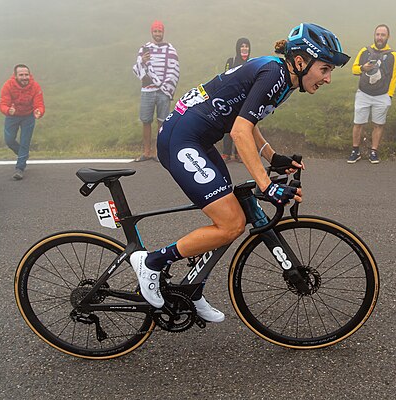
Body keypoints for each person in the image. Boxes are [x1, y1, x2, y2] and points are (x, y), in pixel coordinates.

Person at [130, 23, 350, 322]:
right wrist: (267, 185)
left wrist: (273, 157)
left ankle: (192, 290)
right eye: (325, 69)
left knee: (233, 219)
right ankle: (152, 262)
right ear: (301, 61)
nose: (327, 78)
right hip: (181, 139)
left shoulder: (283, 77)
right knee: (231, 222)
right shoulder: (275, 74)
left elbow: (248, 120)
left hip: (198, 138)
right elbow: (240, 131)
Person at [347, 24, 396, 164]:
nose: (379, 37)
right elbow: (354, 69)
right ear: (374, 35)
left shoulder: (393, 55)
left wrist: (389, 95)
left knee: (378, 124)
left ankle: (374, 151)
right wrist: (364, 68)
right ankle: (355, 150)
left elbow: (394, 76)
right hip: (363, 93)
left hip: (382, 96)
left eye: (383, 35)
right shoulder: (365, 51)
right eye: (378, 34)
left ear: (388, 37)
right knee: (358, 123)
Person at [132, 20, 180, 162]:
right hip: (147, 90)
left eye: (159, 31)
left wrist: (166, 87)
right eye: (155, 31)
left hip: (163, 91)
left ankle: (158, 153)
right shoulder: (144, 48)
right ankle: (147, 152)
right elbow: (138, 68)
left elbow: (174, 69)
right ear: (151, 32)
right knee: (146, 121)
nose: (157, 34)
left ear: (163, 32)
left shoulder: (170, 49)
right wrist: (143, 61)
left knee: (162, 122)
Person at [0, 64, 45, 180]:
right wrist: (8, 110)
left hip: (28, 116)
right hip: (12, 116)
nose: (24, 77)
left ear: (29, 75)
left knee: (25, 141)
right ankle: (23, 155)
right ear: (15, 76)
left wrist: (39, 111)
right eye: (21, 75)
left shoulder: (35, 86)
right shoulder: (8, 86)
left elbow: (39, 104)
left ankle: (20, 168)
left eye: (26, 74)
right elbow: (2, 104)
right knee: (9, 140)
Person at [222, 38, 251, 163]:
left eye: (247, 46)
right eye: (242, 46)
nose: (244, 48)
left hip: (246, 99)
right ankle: (226, 153)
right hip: (232, 97)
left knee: (243, 127)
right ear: (238, 48)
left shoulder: (252, 62)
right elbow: (226, 77)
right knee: (228, 126)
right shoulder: (231, 61)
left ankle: (239, 153)